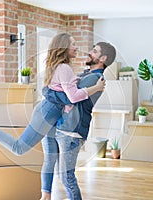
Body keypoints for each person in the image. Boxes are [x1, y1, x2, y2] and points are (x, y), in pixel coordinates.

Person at [40, 42, 116, 200]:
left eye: (94, 51)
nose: (89, 52)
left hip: (72, 132)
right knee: (62, 175)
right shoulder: (86, 75)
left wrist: (47, 91)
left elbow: (69, 96)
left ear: (103, 58)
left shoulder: (95, 78)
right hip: (64, 128)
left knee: (67, 177)